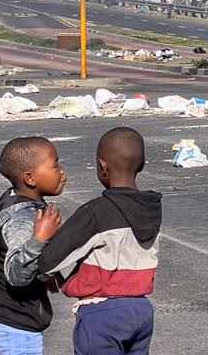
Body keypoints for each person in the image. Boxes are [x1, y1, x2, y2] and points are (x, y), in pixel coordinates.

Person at [39, 127, 161, 355]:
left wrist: (50, 273)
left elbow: (50, 259)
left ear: (103, 167)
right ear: (141, 166)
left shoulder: (96, 213)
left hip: (103, 314)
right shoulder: (151, 209)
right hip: (141, 310)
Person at [0, 137, 67, 353]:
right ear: (30, 178)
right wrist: (40, 239)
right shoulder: (23, 219)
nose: (62, 172)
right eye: (55, 165)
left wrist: (42, 273)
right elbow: (16, 273)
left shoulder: (13, 198)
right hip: (12, 323)